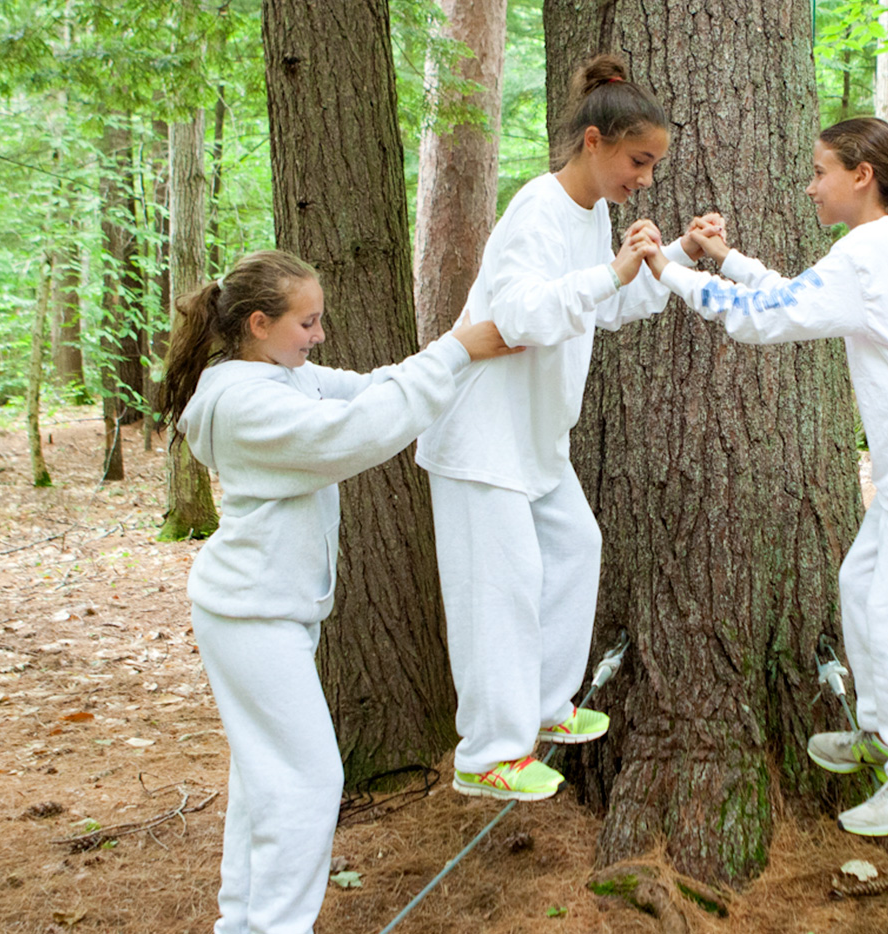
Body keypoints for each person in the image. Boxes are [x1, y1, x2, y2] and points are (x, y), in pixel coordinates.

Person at [645, 116, 888, 836]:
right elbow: (798, 296)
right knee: (860, 588)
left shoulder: (870, 249)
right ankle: (884, 733)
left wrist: (673, 272)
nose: (810, 186)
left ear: (860, 175)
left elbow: (760, 319)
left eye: (819, 172)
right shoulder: (879, 243)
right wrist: (727, 258)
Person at [162, 249, 522, 934]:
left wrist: (459, 349)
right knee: (306, 783)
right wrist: (453, 353)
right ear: (260, 323)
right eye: (308, 323)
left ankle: (244, 925)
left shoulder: (279, 373)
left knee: (266, 783)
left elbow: (371, 388)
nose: (319, 335)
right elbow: (350, 435)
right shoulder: (243, 402)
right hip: (249, 615)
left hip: (270, 611)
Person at [416, 54, 703, 801]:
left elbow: (603, 305)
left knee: (577, 547)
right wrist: (611, 272)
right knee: (499, 592)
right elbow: (516, 313)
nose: (643, 178)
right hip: (483, 435)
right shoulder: (536, 208)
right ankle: (488, 753)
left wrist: (670, 257)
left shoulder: (594, 212)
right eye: (638, 161)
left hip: (535, 437)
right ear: (595, 143)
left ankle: (544, 706)